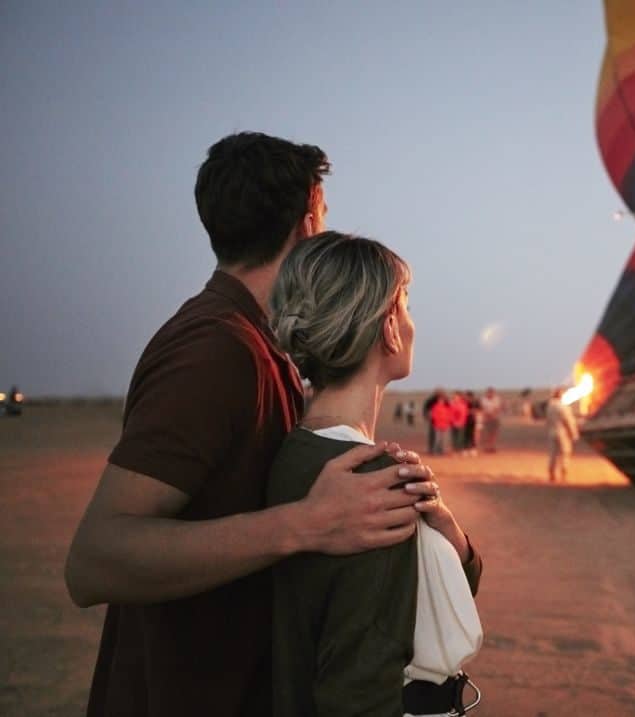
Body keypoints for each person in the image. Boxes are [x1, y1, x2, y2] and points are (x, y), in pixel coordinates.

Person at [64, 132, 432, 717]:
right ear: (309, 219)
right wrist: (306, 523)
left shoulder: (260, 346)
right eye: (326, 212)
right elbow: (93, 561)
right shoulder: (214, 348)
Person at [266, 233, 483, 715]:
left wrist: (448, 534)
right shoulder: (372, 482)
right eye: (405, 306)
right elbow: (360, 682)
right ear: (388, 328)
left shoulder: (291, 454)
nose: (411, 323)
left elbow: (407, 599)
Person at [545, 387, 579, 482]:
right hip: (562, 433)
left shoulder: (549, 407)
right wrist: (574, 434)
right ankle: (563, 475)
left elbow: (547, 421)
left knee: (553, 454)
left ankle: (551, 475)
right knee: (565, 453)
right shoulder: (563, 407)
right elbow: (568, 421)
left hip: (552, 432)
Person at [479, 387, 503, 453]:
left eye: (491, 393)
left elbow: (498, 408)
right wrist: (487, 414)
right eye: (489, 393)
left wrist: (492, 414)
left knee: (494, 433)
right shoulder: (483, 399)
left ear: (493, 393)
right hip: (486, 418)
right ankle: (487, 447)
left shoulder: (497, 399)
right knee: (486, 433)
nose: (490, 394)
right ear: (487, 393)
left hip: (495, 418)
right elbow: (482, 408)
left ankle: (492, 446)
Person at [430, 391, 453, 455]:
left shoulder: (447, 407)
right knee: (437, 439)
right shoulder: (435, 407)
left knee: (445, 439)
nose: (441, 401)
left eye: (442, 400)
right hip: (438, 425)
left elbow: (450, 415)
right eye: (440, 400)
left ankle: (444, 451)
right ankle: (436, 451)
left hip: (446, 425)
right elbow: (434, 416)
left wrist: (448, 422)